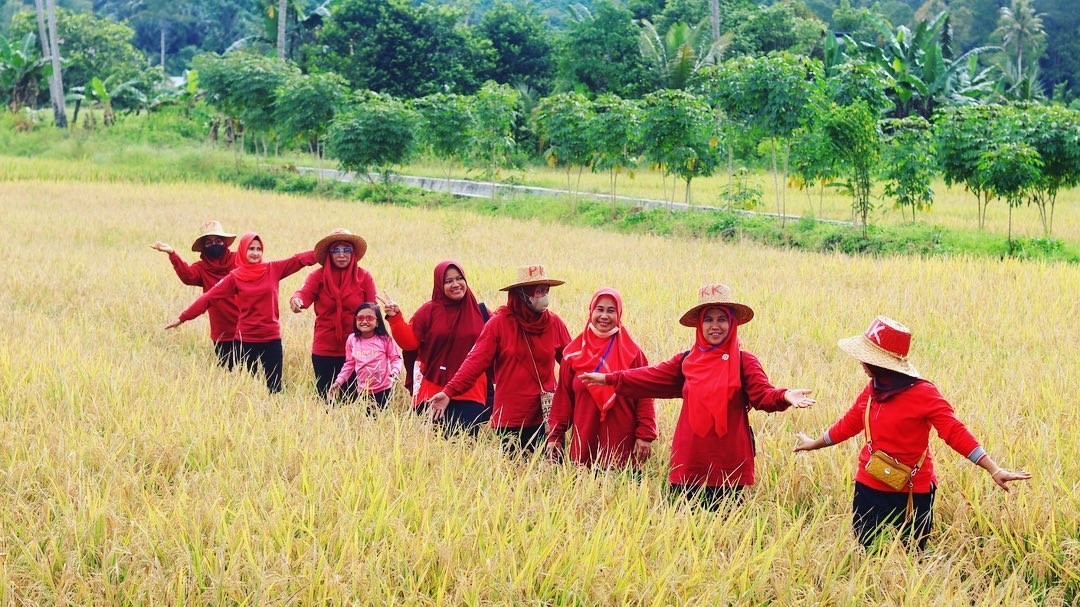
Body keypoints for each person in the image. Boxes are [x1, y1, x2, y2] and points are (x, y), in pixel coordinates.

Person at [793, 316, 1031, 549]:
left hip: (911, 492)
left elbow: (955, 432)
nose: (860, 363)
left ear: (878, 364)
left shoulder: (924, 394)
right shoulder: (872, 390)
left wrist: (994, 469)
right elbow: (848, 424)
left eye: (864, 358)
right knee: (864, 552)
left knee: (912, 555)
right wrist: (814, 444)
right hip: (869, 488)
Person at [580, 283, 815, 509]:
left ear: (732, 323)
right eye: (708, 319)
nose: (715, 326)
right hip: (689, 461)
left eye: (722, 319)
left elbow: (763, 395)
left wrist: (785, 395)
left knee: (725, 532)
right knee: (681, 529)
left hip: (728, 464)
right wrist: (609, 379)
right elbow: (648, 377)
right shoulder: (686, 361)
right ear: (699, 325)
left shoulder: (744, 362)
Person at [429, 264, 572, 456]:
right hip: (511, 419)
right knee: (514, 475)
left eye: (546, 291)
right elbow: (475, 362)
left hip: (545, 416)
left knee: (550, 474)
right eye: (538, 291)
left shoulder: (554, 323)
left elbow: (571, 363)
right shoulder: (499, 325)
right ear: (522, 294)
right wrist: (449, 392)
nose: (544, 296)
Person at [166, 232, 316, 393]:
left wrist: (324, 252)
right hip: (245, 340)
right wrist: (183, 318)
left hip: (271, 338)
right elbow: (208, 298)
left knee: (275, 387)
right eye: (251, 248)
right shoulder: (234, 277)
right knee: (246, 388)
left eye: (259, 249)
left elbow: (298, 260)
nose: (255, 252)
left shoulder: (273, 269)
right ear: (243, 251)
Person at [545, 288, 657, 469]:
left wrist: (645, 435)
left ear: (619, 314)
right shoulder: (573, 354)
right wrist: (555, 436)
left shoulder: (633, 353)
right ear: (591, 312)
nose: (604, 316)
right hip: (584, 445)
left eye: (611, 310)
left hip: (622, 446)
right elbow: (563, 398)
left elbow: (645, 396)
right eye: (600, 309)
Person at [383, 261, 492, 436]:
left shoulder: (482, 313)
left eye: (459, 278)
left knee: (465, 443)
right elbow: (410, 343)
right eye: (448, 281)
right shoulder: (429, 311)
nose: (455, 284)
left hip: (471, 389)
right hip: (432, 387)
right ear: (440, 285)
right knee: (430, 444)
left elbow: (500, 336)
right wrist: (395, 318)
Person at [289, 228, 377, 398]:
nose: (341, 254)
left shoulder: (364, 277)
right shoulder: (318, 276)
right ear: (329, 254)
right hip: (325, 348)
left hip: (357, 350)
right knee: (325, 399)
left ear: (353, 254)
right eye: (336, 250)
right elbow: (303, 295)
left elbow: (373, 312)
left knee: (353, 400)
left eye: (346, 250)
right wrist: (296, 300)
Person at [150, 220, 240, 369]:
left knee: (253, 371)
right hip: (222, 331)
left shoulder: (239, 260)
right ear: (203, 247)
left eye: (218, 241)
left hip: (246, 325)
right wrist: (172, 254)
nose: (214, 245)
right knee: (228, 371)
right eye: (209, 242)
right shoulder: (202, 268)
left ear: (224, 243)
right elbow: (187, 276)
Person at [327, 303, 402, 410]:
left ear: (377, 322)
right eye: (360, 318)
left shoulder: (384, 339)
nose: (365, 321)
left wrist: (394, 372)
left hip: (384, 389)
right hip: (363, 390)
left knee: (381, 419)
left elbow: (396, 359)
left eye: (370, 318)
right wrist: (338, 381)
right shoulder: (352, 340)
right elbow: (349, 364)